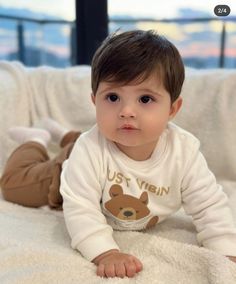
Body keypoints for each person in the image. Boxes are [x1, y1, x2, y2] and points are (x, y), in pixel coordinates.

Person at [58, 30, 236, 278]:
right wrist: (105, 252)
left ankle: (63, 137)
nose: (127, 111)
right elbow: (80, 207)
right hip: (60, 174)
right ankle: (37, 141)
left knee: (73, 143)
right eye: (112, 97)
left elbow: (209, 205)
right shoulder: (89, 150)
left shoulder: (183, 151)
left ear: (172, 109)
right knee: (23, 186)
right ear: (94, 100)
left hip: (85, 150)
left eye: (145, 99)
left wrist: (226, 250)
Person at [0, 118, 81, 209]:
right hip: (75, 165)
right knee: (11, 182)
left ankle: (65, 135)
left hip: (85, 148)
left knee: (92, 143)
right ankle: (37, 139)